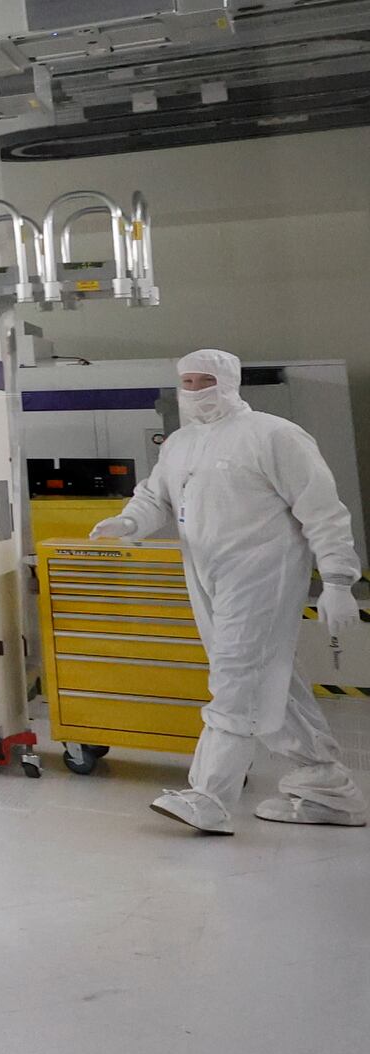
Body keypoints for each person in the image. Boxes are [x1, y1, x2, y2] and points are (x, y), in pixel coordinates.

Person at [92, 348, 366, 832]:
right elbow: (155, 495)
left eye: (205, 381)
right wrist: (129, 521)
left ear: (229, 382)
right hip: (205, 575)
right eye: (188, 382)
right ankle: (325, 785)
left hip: (262, 572)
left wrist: (339, 579)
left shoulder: (274, 435)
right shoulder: (179, 443)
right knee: (269, 676)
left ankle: (210, 796)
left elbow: (322, 509)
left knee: (237, 678)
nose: (195, 391)